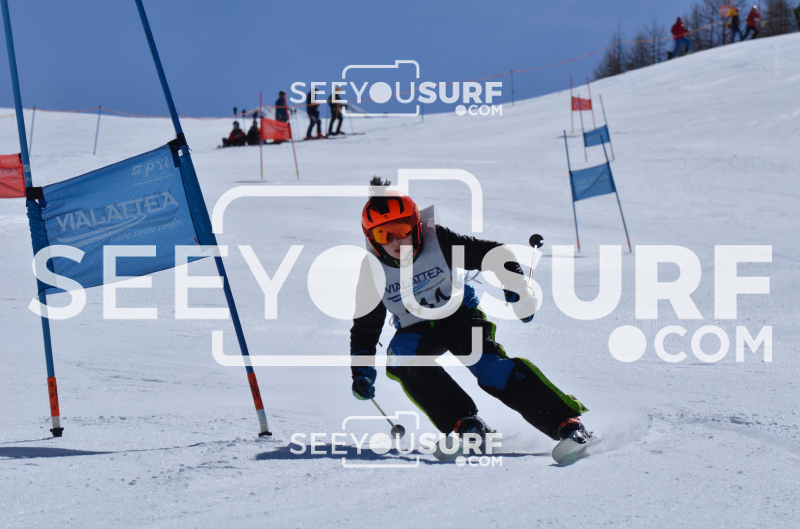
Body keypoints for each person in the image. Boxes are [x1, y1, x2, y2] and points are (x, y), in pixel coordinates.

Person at [349, 177, 591, 445]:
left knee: (490, 368)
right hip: (416, 330)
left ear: (416, 226)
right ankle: (463, 422)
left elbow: (493, 253)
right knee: (400, 357)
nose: (396, 240)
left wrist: (516, 286)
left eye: (402, 228)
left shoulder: (438, 240)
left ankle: (565, 422)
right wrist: (361, 371)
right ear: (372, 239)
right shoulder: (373, 272)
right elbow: (365, 329)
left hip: (459, 318)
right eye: (384, 234)